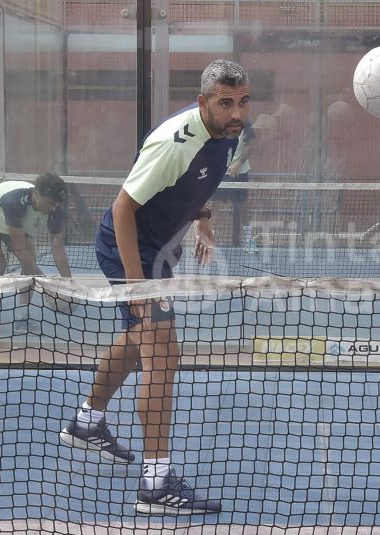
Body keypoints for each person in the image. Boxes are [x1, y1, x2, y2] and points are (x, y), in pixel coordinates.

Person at [59, 59, 250, 515]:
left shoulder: (227, 134)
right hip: (131, 250)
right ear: (204, 102)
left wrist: (202, 220)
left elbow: (195, 186)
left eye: (243, 102)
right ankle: (156, 484)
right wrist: (137, 288)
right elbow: (123, 208)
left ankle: (87, 422)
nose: (236, 112)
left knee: (137, 337)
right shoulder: (173, 144)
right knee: (162, 351)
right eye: (226, 103)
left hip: (158, 252)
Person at [0, 173, 71, 334]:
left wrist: (68, 284)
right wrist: (47, 286)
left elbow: (57, 248)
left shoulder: (56, 209)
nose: (54, 208)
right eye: (50, 203)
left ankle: (22, 318)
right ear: (36, 195)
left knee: (30, 267)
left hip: (15, 223)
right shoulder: (14, 201)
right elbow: (20, 249)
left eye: (57, 204)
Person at [212, 121, 258, 253]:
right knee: (214, 209)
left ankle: (249, 241)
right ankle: (208, 244)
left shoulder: (245, 124)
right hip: (220, 174)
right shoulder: (218, 122)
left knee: (242, 208)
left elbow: (249, 147)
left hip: (240, 173)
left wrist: (238, 163)